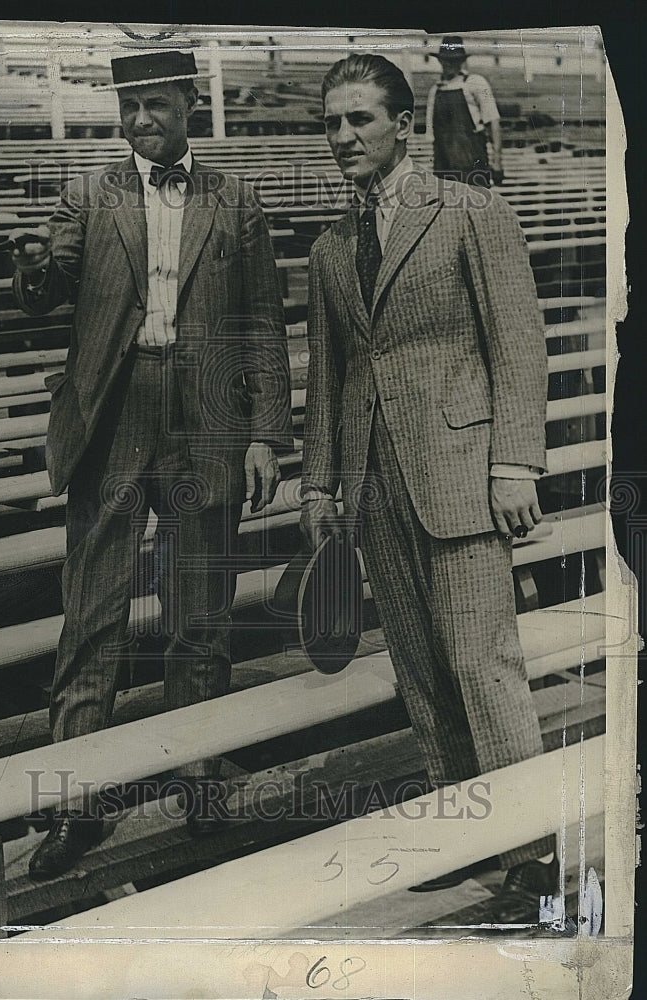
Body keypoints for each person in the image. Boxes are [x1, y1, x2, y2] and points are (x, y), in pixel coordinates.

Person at [11, 50, 293, 880]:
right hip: (114, 413)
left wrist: (264, 435)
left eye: (156, 105)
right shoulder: (86, 195)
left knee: (198, 611)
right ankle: (75, 803)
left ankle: (199, 777)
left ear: (188, 107)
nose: (140, 121)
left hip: (208, 415)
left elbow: (264, 326)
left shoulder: (234, 199)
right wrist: (32, 263)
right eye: (129, 106)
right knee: (90, 614)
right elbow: (48, 287)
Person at [301, 53, 555, 924]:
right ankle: (463, 834)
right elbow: (332, 375)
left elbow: (516, 341)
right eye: (331, 123)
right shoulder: (331, 246)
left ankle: (532, 857)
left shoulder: (470, 212)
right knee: (420, 673)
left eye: (359, 120)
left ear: (403, 125)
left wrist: (515, 461)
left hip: (463, 476)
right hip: (374, 485)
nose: (343, 138)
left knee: (483, 668)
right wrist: (318, 487)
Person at [425, 36, 504, 187]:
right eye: (446, 59)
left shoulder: (476, 83)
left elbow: (493, 121)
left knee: (476, 205)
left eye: (454, 60)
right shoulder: (435, 91)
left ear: (461, 61)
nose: (449, 64)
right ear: (440, 60)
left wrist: (497, 161)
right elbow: (432, 136)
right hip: (444, 164)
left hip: (472, 160)